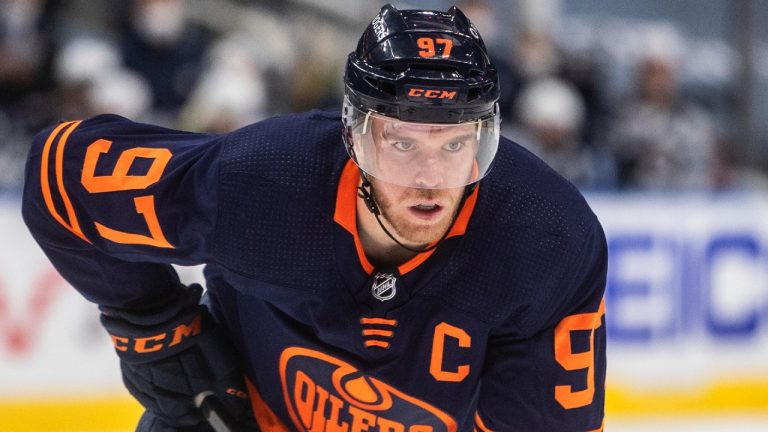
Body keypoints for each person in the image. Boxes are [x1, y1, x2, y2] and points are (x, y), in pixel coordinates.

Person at [22, 4, 607, 431]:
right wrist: (153, 324)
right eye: (402, 144)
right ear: (355, 136)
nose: (430, 178)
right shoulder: (264, 182)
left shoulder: (546, 240)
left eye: (454, 144)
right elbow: (59, 174)